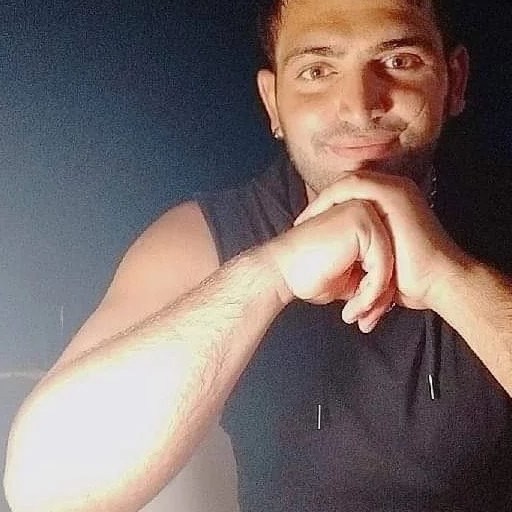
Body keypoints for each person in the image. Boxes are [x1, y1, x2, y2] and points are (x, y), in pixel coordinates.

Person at [4, 0, 512, 510]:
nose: (359, 107)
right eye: (317, 71)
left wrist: (452, 277)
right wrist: (271, 273)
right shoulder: (204, 237)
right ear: (273, 103)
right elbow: (46, 492)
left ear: (454, 81)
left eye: (400, 61)